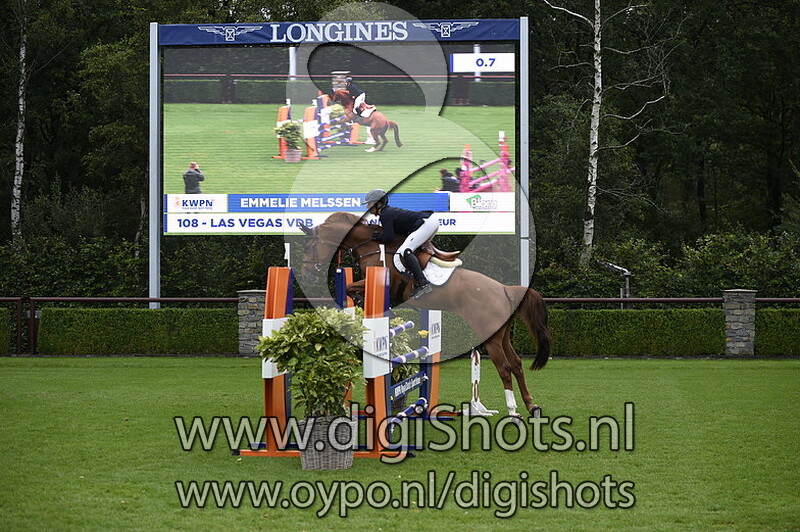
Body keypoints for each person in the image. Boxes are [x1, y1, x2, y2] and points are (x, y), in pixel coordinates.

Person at [363, 189, 438, 299]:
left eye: (369, 204)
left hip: (426, 222)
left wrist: (376, 236)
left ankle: (423, 283)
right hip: (429, 221)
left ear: (378, 204)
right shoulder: (386, 212)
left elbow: (389, 238)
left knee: (406, 250)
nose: (367, 207)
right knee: (409, 249)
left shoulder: (385, 214)